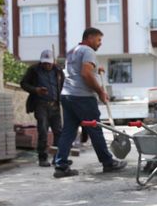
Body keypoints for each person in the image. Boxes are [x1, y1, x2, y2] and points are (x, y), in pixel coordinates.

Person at [53, 27, 126, 178]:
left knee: (68, 131)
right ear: (90, 37)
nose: (100, 43)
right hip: (82, 97)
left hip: (67, 95)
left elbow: (79, 70)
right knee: (95, 129)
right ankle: (108, 162)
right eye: (99, 40)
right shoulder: (88, 51)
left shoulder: (73, 51)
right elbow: (85, 73)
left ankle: (61, 165)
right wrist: (100, 91)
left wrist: (95, 68)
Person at [20, 49, 65, 167]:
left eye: (49, 63)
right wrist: (36, 90)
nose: (47, 65)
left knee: (58, 132)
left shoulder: (58, 71)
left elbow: (63, 86)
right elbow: (23, 83)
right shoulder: (34, 70)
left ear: (53, 62)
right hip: (40, 105)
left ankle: (57, 158)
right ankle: (42, 158)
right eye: (45, 63)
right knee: (43, 131)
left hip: (54, 105)